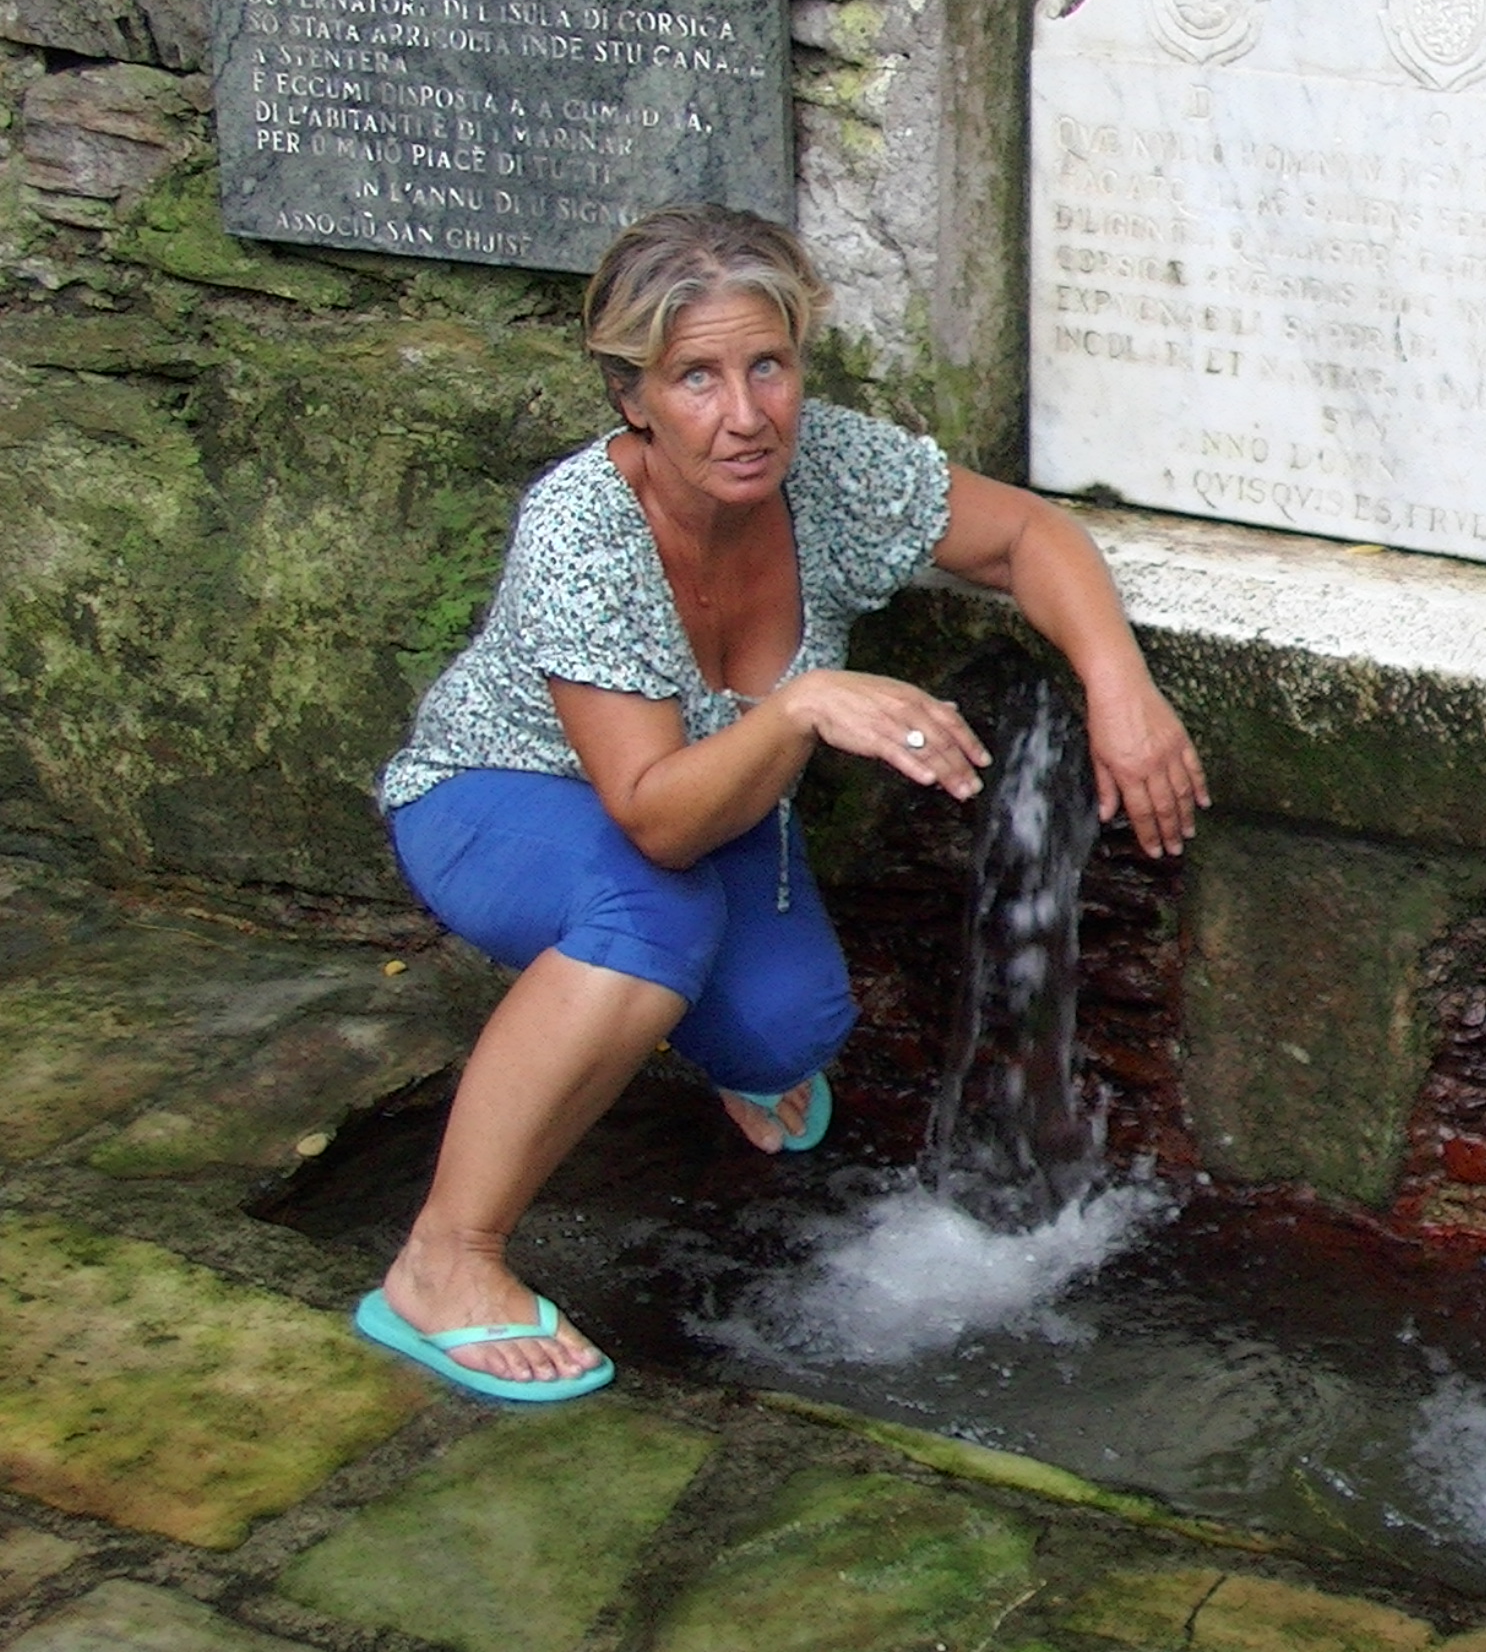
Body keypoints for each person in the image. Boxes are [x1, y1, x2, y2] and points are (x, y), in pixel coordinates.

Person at [359, 204, 1208, 1400]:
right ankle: (445, 1260)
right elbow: (651, 815)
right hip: (504, 795)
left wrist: (1118, 686)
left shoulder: (828, 472)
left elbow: (1026, 535)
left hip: (707, 809)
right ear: (630, 395)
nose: (745, 414)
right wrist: (800, 708)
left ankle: (658, 1013)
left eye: (768, 365)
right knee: (648, 922)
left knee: (786, 1031)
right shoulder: (583, 529)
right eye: (695, 376)